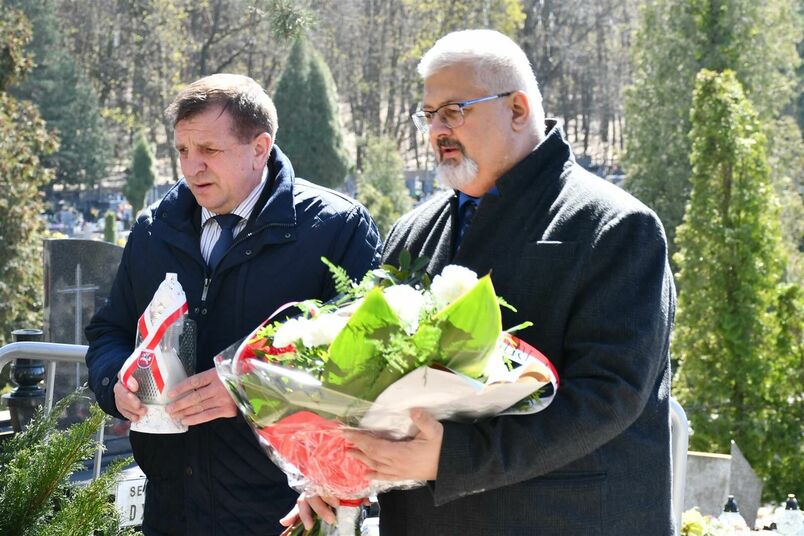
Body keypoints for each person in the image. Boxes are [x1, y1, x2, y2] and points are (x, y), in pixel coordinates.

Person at [285, 30, 676, 535]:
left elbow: (608, 397)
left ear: (517, 108)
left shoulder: (614, 226)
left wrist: (450, 459)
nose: (436, 131)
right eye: (428, 115)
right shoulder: (413, 230)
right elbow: (373, 388)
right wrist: (341, 473)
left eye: (453, 110)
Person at [85, 73, 382, 535]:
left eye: (209, 151)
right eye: (183, 150)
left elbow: (367, 363)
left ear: (260, 148)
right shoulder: (152, 229)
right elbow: (110, 331)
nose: (191, 167)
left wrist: (250, 391)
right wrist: (115, 383)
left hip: (284, 509)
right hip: (172, 506)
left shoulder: (337, 228)